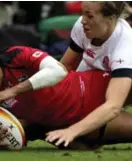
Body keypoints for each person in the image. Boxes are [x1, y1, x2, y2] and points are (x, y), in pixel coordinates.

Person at [0, 46, 132, 149]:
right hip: (80, 123)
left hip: (94, 87)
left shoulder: (15, 56)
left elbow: (57, 71)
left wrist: (13, 90)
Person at [52, 1, 132, 146]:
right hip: (89, 85)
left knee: (82, 131)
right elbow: (64, 67)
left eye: (89, 16)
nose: (82, 20)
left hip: (120, 91)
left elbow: (113, 106)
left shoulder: (125, 46)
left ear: (111, 18)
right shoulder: (82, 26)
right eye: (82, 14)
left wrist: (72, 131)